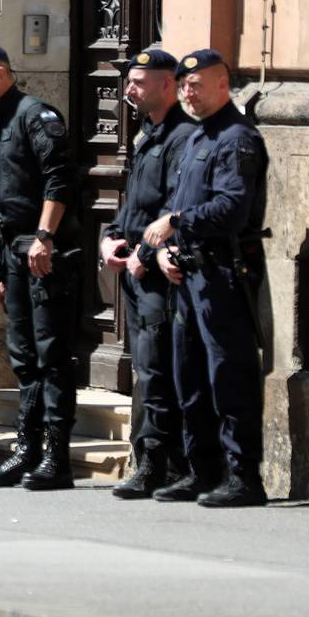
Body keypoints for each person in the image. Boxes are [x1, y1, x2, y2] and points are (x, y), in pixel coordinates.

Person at [142, 48, 271, 508]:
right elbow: (180, 201)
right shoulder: (198, 139)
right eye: (184, 86)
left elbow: (232, 209)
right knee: (189, 375)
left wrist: (177, 222)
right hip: (189, 270)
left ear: (223, 85)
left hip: (222, 273)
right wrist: (167, 251)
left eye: (197, 85)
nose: (189, 93)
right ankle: (201, 470)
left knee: (228, 375)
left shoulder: (237, 139)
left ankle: (243, 476)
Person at [0, 42, 81, 492]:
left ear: (1, 72)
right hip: (11, 256)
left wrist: (46, 237)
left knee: (51, 356)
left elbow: (59, 178)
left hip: (43, 252)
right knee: (24, 358)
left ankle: (57, 456)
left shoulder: (36, 115)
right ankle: (27, 449)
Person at [103, 48, 194, 499]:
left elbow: (175, 205)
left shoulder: (183, 137)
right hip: (136, 269)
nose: (128, 91)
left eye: (137, 83)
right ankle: (152, 459)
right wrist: (111, 237)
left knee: (156, 370)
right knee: (146, 367)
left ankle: (159, 463)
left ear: (166, 85)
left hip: (158, 272)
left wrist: (142, 249)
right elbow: (135, 200)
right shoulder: (147, 133)